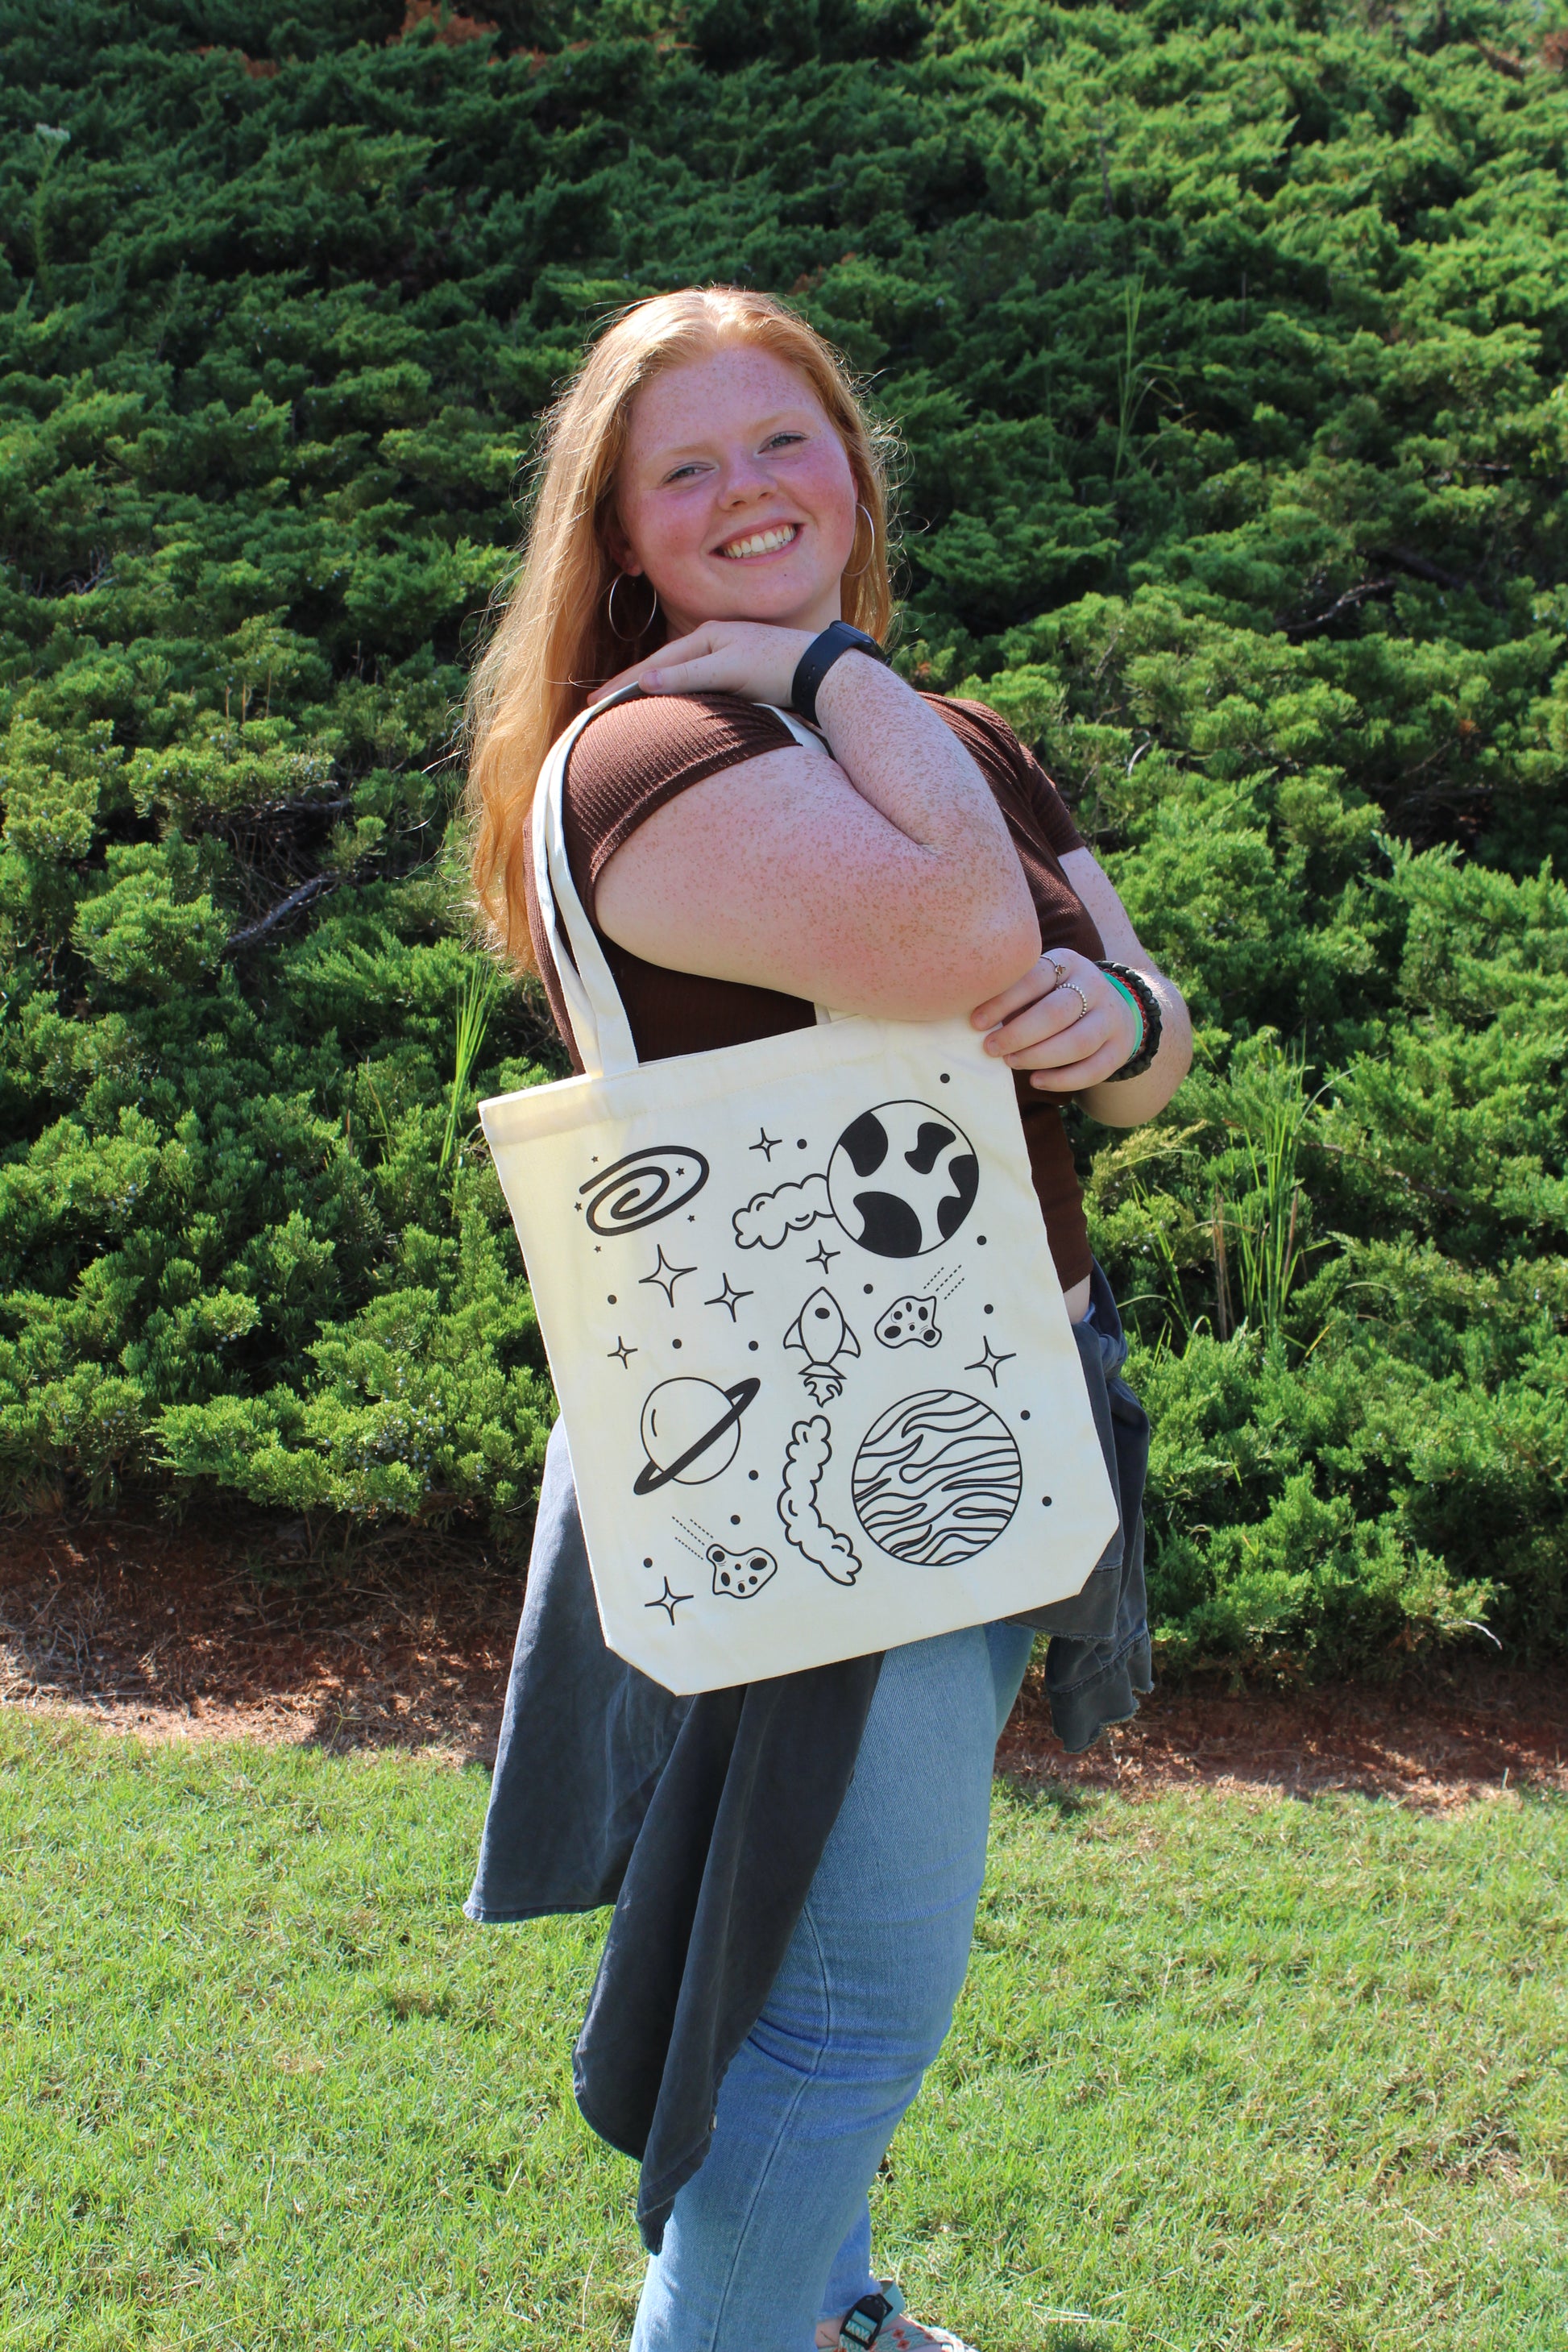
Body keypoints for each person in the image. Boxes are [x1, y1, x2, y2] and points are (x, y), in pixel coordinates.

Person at [463, 287, 1193, 2352]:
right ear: (617, 538)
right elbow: (963, 924)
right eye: (681, 470)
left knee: (812, 1964)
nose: (747, 493)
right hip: (826, 1441)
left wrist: (1117, 1022)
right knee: (839, 2015)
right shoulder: (660, 750)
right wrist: (816, 662)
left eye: (781, 442)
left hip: (1000, 1398)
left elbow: (1136, 1035)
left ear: (851, 464)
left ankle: (834, 2310)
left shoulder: (927, 731)